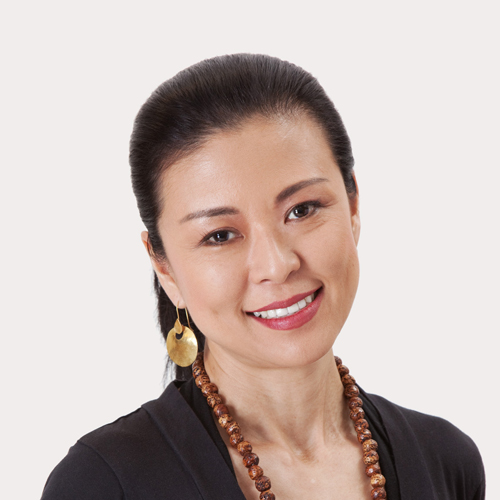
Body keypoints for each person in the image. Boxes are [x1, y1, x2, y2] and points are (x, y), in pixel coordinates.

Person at [41, 54, 485, 500]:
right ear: (165, 267)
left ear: (353, 206)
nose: (276, 265)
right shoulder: (103, 483)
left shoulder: (446, 462)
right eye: (219, 235)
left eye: (302, 210)